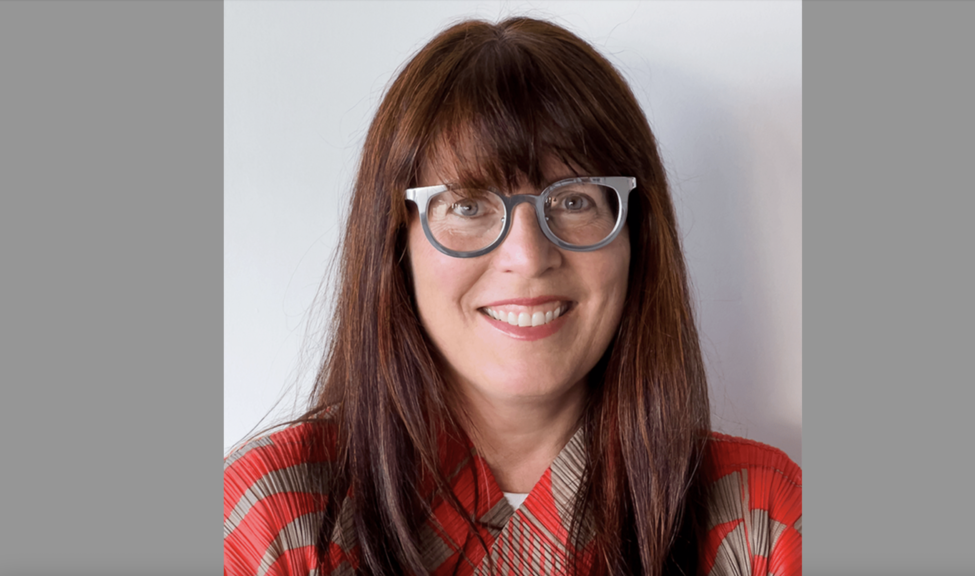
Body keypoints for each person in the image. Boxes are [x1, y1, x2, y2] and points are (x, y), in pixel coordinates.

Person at [224, 16, 801, 576]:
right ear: (394, 242)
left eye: (574, 200)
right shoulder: (271, 517)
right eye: (469, 206)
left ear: (636, 237)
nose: (527, 257)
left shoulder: (760, 520)